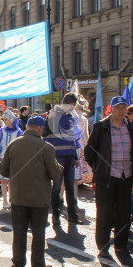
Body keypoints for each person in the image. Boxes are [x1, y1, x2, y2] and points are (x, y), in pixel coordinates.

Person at [0, 115, 63, 267]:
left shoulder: (13, 144)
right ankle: (38, 264)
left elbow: (2, 170)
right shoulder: (46, 147)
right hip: (39, 197)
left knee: (19, 231)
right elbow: (55, 173)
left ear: (27, 127)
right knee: (38, 231)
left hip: (18, 196)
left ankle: (18, 263)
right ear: (41, 129)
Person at [84, 96, 133, 258]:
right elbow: (89, 152)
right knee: (105, 213)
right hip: (106, 177)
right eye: (118, 107)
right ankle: (103, 246)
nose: (121, 111)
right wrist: (100, 168)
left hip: (125, 176)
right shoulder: (101, 127)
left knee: (123, 213)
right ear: (111, 109)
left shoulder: (131, 127)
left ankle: (121, 246)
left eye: (123, 107)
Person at [44, 93, 82, 225]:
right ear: (72, 104)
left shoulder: (70, 117)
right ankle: (55, 214)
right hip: (58, 155)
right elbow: (45, 132)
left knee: (70, 187)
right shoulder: (54, 113)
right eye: (74, 106)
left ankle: (72, 215)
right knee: (57, 187)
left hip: (70, 156)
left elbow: (72, 138)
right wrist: (49, 118)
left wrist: (75, 156)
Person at [0, 108, 22, 210]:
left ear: (12, 120)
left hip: (14, 158)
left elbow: (20, 145)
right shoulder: (2, 130)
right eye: (3, 120)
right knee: (3, 180)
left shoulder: (18, 132)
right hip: (2, 158)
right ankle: (4, 200)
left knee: (12, 181)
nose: (4, 121)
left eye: (6, 119)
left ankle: (11, 200)